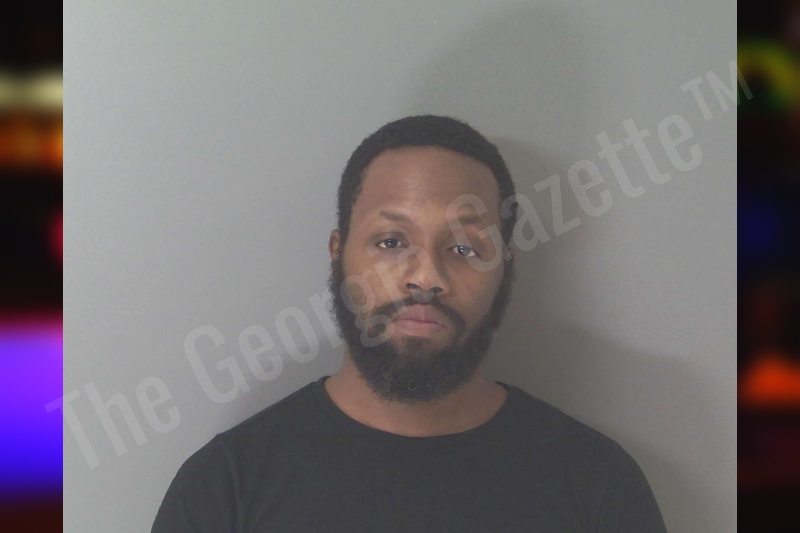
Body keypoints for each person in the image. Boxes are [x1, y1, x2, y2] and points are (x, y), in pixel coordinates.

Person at [151, 115, 668, 532]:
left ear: (505, 269)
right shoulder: (225, 489)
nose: (426, 277)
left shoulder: (598, 486)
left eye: (464, 248)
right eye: (391, 242)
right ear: (338, 253)